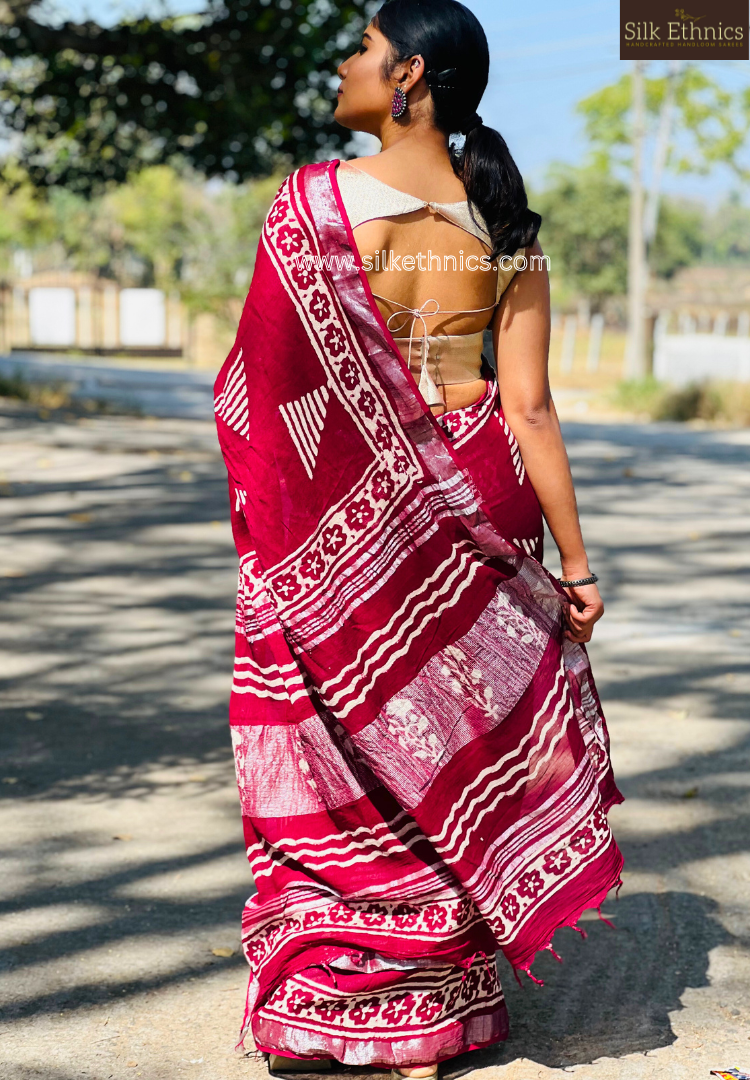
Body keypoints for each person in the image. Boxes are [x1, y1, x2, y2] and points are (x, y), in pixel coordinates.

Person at [213, 1, 623, 1076]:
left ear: (410, 78)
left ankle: (353, 1000)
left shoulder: (311, 207)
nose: (343, 62)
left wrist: (281, 519)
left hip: (344, 516)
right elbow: (529, 409)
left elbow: (268, 391)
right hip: (474, 498)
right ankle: (434, 1013)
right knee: (446, 739)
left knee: (341, 745)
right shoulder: (506, 230)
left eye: (361, 47)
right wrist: (575, 568)